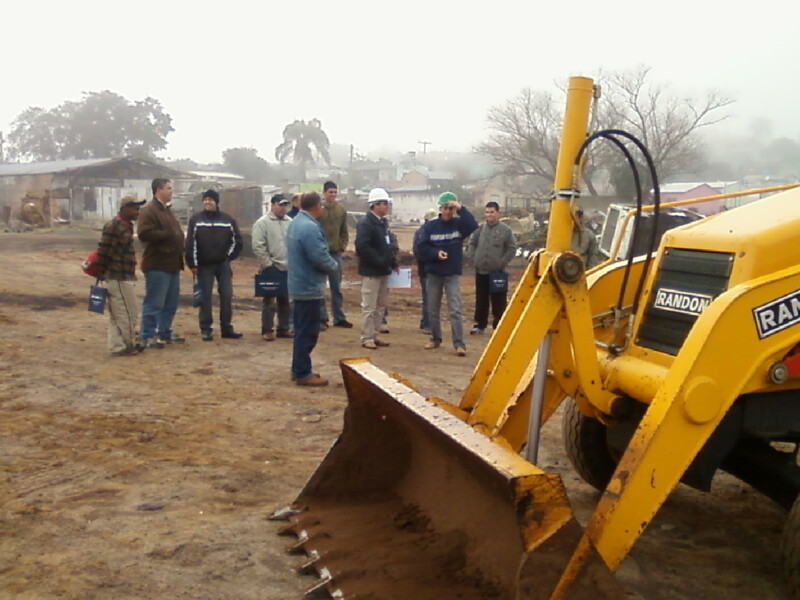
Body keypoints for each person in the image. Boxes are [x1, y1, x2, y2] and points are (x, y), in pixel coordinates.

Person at [286, 191, 339, 386]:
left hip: (299, 283)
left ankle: (298, 368)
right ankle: (303, 373)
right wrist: (334, 266)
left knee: (301, 330)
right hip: (308, 285)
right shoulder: (309, 227)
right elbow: (319, 256)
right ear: (316, 206)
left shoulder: (296, 222)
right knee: (308, 332)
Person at [417, 191, 478, 356]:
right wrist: (435, 254)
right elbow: (421, 248)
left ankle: (459, 343)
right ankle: (435, 339)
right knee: (433, 308)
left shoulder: (459, 225)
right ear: (440, 209)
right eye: (445, 208)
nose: (448, 211)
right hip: (434, 272)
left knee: (455, 309)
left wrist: (461, 208)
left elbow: (473, 225)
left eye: (451, 208)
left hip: (451, 273)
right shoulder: (430, 227)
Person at [184, 189, 243, 341]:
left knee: (227, 295)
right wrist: (192, 263)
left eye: (210, 199)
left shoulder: (227, 220)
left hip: (223, 265)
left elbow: (237, 240)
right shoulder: (196, 220)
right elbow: (190, 243)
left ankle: (226, 328)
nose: (207, 202)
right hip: (204, 265)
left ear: (216, 202)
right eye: (205, 199)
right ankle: (206, 329)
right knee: (205, 297)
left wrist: (228, 257)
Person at [94, 195, 146, 356]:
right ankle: (128, 345)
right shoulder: (115, 226)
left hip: (121, 275)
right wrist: (101, 271)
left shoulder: (124, 225)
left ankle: (117, 345)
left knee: (117, 313)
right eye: (135, 209)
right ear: (125, 208)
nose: (138, 212)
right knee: (127, 313)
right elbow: (104, 251)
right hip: (118, 276)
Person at [137, 178, 186, 349]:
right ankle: (148, 335)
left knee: (171, 303)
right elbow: (144, 233)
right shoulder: (149, 210)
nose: (172, 191)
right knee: (154, 302)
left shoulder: (167, 210)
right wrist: (167, 234)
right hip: (157, 264)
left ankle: (164, 332)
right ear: (158, 190)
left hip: (172, 264)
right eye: (169, 188)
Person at [355, 188, 397, 350]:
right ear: (374, 204)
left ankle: (374, 335)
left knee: (380, 306)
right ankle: (367, 337)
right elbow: (362, 247)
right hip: (371, 271)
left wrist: (392, 261)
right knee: (369, 306)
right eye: (384, 203)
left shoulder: (382, 223)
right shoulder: (365, 224)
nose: (386, 206)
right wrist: (379, 261)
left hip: (383, 270)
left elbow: (387, 244)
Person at [469, 201, 517, 335]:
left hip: (497, 272)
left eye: (492, 212)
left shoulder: (505, 230)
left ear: (498, 213)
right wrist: (474, 257)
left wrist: (502, 263)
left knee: (499, 300)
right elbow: (472, 243)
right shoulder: (480, 229)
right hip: (481, 271)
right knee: (481, 299)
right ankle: (480, 325)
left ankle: (499, 327)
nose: (489, 215)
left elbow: (512, 248)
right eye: (487, 212)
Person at [252, 193, 293, 342]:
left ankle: (283, 328)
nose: (283, 208)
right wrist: (268, 264)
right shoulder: (262, 223)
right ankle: (267, 330)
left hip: (288, 268)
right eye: (280, 205)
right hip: (270, 267)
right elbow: (258, 246)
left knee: (285, 300)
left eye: (285, 205)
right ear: (272, 205)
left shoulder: (290, 222)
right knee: (269, 301)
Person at [317, 181, 352, 329]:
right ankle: (322, 318)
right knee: (320, 287)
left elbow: (344, 230)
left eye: (335, 192)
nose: (333, 195)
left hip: (336, 253)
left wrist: (342, 247)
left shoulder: (341, 210)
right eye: (330, 192)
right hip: (321, 253)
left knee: (336, 287)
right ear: (324, 193)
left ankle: (339, 317)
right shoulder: (318, 210)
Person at [413, 208, 437, 334]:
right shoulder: (421, 233)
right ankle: (428, 324)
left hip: (431, 269)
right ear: (426, 220)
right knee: (429, 297)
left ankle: (426, 322)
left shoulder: (434, 231)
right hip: (426, 270)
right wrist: (432, 257)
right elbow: (418, 252)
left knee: (430, 297)